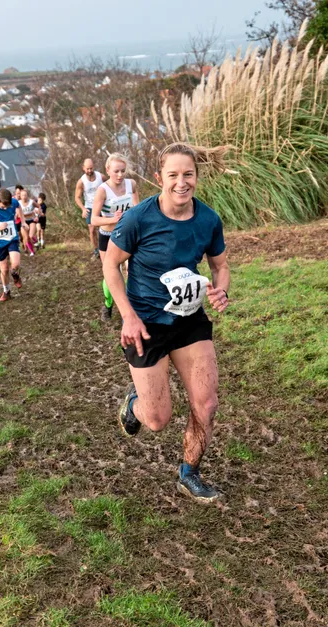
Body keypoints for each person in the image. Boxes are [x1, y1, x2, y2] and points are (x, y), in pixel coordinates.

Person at [103, 143, 230, 503]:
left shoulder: (208, 219)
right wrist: (127, 315)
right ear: (160, 178)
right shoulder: (138, 219)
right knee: (157, 419)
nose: (181, 182)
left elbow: (220, 266)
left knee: (205, 404)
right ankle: (134, 405)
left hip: (189, 321)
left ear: (196, 177)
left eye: (187, 174)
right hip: (145, 325)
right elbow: (111, 265)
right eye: (173, 175)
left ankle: (189, 473)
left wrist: (220, 291)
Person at [91, 154, 139, 320]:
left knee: (131, 269)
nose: (120, 175)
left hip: (127, 233)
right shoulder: (102, 190)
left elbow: (137, 209)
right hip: (108, 234)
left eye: (123, 171)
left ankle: (134, 305)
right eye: (116, 171)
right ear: (108, 170)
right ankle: (108, 304)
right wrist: (113, 219)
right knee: (111, 272)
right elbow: (94, 219)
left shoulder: (131, 184)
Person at [0, 189, 24, 301]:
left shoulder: (12, 202)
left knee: (15, 264)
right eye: (3, 206)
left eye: (8, 206)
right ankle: (6, 291)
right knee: (4, 269)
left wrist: (24, 221)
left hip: (12, 238)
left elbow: (19, 206)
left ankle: (15, 273)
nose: (6, 208)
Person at [74, 158, 106, 259]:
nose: (89, 171)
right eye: (87, 169)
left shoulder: (101, 177)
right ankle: (96, 250)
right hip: (89, 206)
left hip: (102, 206)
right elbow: (77, 197)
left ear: (93, 167)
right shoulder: (81, 181)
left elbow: (110, 186)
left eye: (91, 168)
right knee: (92, 230)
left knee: (105, 228)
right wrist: (83, 208)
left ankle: (106, 248)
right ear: (83, 168)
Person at [19, 189, 41, 255]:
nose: (24, 197)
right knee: (26, 238)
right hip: (24, 221)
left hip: (32, 220)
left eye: (25, 195)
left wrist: (37, 216)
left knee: (31, 236)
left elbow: (39, 207)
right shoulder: (18, 203)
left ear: (27, 195)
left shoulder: (31, 202)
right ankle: (32, 252)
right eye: (22, 195)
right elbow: (17, 213)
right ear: (20, 196)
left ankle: (37, 242)